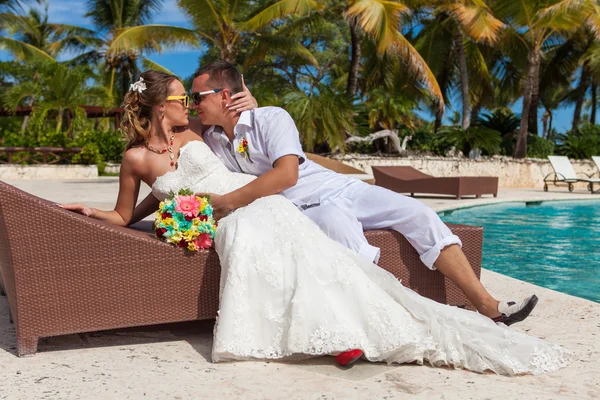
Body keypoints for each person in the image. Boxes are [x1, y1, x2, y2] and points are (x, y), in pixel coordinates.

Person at [62, 70, 571, 375]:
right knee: (279, 246)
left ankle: (439, 312)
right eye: (181, 98)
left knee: (322, 249)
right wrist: (94, 215)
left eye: (193, 98)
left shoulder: (204, 132)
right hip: (233, 218)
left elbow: (260, 146)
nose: (190, 105)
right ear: (159, 106)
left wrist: (252, 109)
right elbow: (132, 211)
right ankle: (344, 334)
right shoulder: (141, 156)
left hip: (263, 205)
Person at [187, 61, 538, 327]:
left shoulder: (270, 118)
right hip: (302, 210)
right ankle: (386, 315)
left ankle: (487, 305)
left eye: (197, 97)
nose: (192, 104)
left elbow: (288, 174)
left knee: (418, 214)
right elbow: (177, 125)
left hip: (335, 187)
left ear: (225, 96)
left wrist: (230, 201)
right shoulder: (213, 140)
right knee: (343, 238)